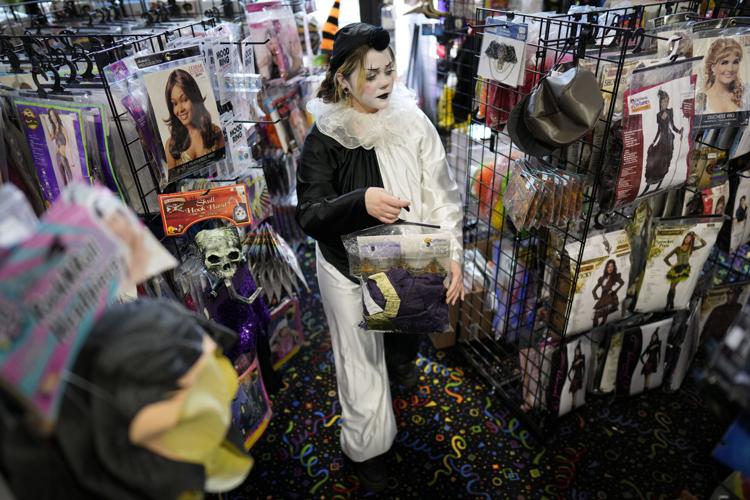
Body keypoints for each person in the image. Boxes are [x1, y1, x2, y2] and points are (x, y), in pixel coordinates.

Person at [295, 23, 463, 491]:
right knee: (360, 364)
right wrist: (360, 202)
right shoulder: (323, 137)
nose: (385, 81)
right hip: (346, 269)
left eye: (390, 70)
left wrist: (451, 253)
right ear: (344, 78)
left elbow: (443, 192)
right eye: (372, 74)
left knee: (402, 337)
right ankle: (368, 449)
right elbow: (309, 214)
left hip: (407, 261)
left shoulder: (411, 120)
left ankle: (402, 365)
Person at [162, 69, 224, 170]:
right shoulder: (171, 145)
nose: (180, 109)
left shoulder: (215, 132)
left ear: (194, 97)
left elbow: (223, 168)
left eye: (185, 99)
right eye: (175, 103)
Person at [642, 89, 683, 196]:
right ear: (660, 102)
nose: (665, 103)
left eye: (667, 101)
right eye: (663, 102)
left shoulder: (670, 112)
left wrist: (679, 131)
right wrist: (653, 142)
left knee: (665, 161)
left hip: (669, 139)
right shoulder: (658, 115)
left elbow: (672, 126)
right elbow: (659, 130)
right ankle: (650, 180)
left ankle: (660, 180)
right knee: (654, 156)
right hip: (662, 139)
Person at [663, 231, 707, 311]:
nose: (687, 239)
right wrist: (671, 265)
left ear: (691, 240)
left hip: (684, 269)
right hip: (676, 269)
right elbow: (666, 259)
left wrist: (696, 235)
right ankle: (670, 304)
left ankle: (668, 305)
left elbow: (704, 244)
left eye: (689, 238)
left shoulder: (691, 249)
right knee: (671, 288)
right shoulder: (678, 248)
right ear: (684, 238)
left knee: (672, 287)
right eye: (686, 237)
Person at [702, 37, 744, 114]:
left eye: (735, 62)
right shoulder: (701, 100)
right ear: (713, 67)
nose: (730, 69)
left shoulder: (745, 96)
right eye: (724, 62)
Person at [592, 259, 625, 327]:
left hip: (610, 299)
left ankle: (600, 327)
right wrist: (596, 297)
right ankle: (600, 327)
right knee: (598, 316)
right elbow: (594, 290)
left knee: (599, 315)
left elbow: (622, 283)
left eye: (612, 266)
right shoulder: (602, 278)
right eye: (608, 266)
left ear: (614, 268)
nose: (610, 268)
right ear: (606, 267)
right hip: (602, 300)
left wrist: (614, 291)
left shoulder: (615, 277)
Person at [47, 108, 73, 185]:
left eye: (54, 115)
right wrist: (45, 124)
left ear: (56, 115)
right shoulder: (54, 130)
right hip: (58, 157)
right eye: (51, 116)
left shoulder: (62, 128)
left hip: (63, 156)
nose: (53, 117)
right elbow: (50, 138)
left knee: (71, 179)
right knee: (64, 181)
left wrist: (71, 160)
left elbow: (68, 143)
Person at [567, 342, 586, 409]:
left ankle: (574, 405)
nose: (577, 352)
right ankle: (573, 404)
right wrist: (570, 379)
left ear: (580, 351)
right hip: (575, 377)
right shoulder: (575, 361)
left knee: (574, 392)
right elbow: (569, 372)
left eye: (578, 351)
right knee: (573, 392)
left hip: (579, 377)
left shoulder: (582, 358)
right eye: (576, 351)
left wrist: (582, 379)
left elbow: (584, 369)